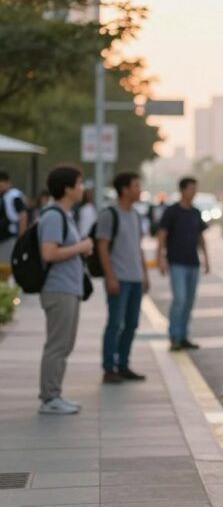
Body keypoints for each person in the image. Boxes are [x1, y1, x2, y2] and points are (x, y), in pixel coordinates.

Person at [37, 165, 94, 415]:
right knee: (57, 345)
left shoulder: (65, 215)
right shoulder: (53, 216)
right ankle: (50, 398)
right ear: (67, 189)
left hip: (68, 289)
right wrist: (81, 247)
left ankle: (54, 394)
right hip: (58, 289)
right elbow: (49, 253)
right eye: (79, 184)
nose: (83, 188)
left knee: (64, 344)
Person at [97, 172, 149, 384]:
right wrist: (110, 277)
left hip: (135, 279)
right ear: (125, 190)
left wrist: (144, 274)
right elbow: (102, 246)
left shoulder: (136, 215)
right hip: (119, 279)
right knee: (114, 324)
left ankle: (124, 365)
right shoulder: (109, 214)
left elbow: (138, 247)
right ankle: (109, 368)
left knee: (131, 324)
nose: (140, 189)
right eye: (136, 186)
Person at [157, 178, 210, 351]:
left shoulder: (195, 212)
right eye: (191, 189)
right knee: (179, 299)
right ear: (182, 190)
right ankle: (174, 336)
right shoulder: (172, 211)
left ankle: (183, 335)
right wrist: (160, 258)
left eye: (195, 189)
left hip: (193, 262)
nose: (193, 192)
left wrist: (206, 259)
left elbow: (201, 237)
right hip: (177, 262)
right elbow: (162, 235)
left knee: (189, 301)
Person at [0, 171, 29, 281]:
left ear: (8, 183)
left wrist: (21, 238)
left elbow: (23, 216)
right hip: (3, 238)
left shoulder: (13, 196)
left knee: (7, 269)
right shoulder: (3, 196)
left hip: (9, 238)